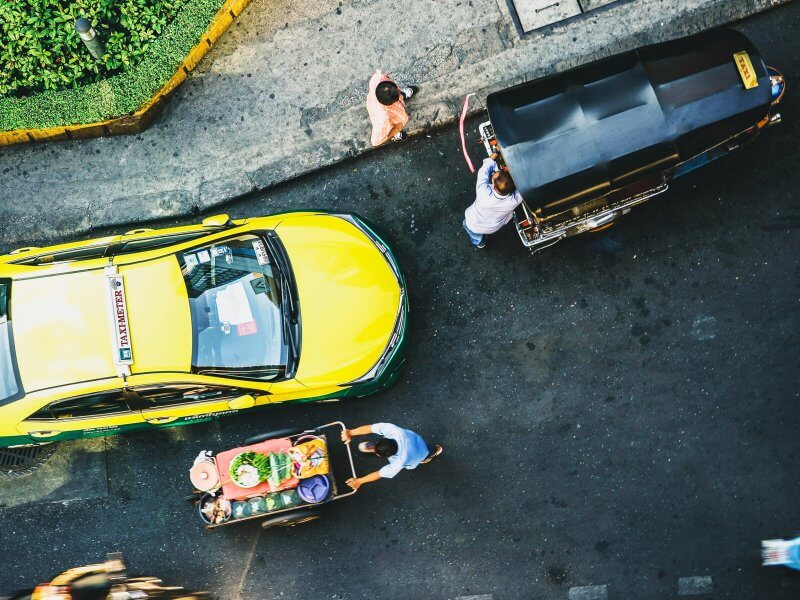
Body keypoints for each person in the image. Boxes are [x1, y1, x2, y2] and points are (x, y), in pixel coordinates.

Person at [340, 423, 442, 490]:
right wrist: (350, 432)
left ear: (389, 456)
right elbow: (370, 428)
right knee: (428, 449)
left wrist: (360, 481)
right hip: (416, 440)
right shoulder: (396, 431)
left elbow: (380, 473)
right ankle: (434, 450)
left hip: (420, 454)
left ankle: (431, 455)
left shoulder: (399, 462)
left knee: (427, 454)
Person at [463, 154, 528, 249]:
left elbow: (483, 172)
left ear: (493, 186)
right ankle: (481, 240)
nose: (493, 174)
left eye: (494, 175)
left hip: (474, 223)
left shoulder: (483, 191)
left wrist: (492, 157)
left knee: (474, 232)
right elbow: (523, 187)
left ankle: (480, 242)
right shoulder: (514, 200)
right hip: (493, 227)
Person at [366, 69, 418, 146]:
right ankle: (394, 135)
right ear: (391, 103)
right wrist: (395, 130)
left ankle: (402, 96)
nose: (398, 88)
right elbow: (375, 142)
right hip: (390, 121)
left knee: (398, 96)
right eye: (398, 93)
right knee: (390, 128)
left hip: (375, 102)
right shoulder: (383, 119)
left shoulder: (378, 79)